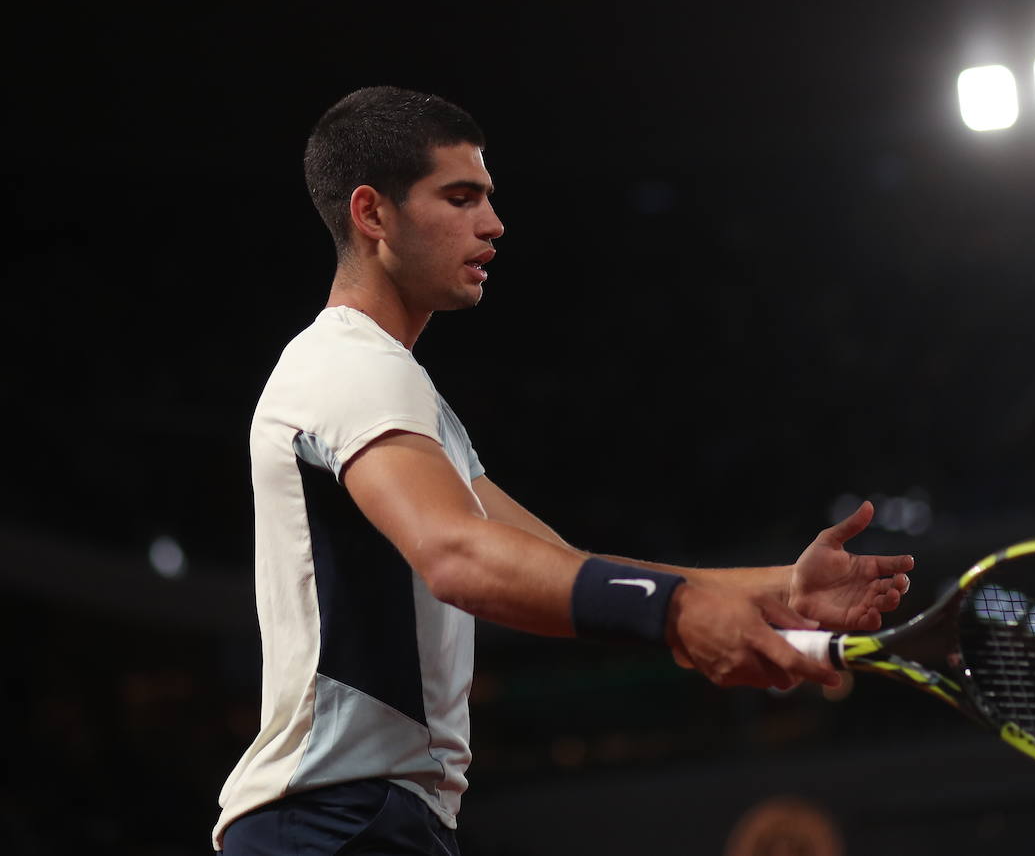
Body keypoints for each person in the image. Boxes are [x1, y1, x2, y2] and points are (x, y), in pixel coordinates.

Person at [212, 86, 913, 855]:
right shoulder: (348, 367)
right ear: (373, 214)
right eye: (460, 196)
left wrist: (777, 588)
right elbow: (457, 555)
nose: (493, 223)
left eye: (488, 197)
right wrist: (675, 610)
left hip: (367, 820)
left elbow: (554, 565)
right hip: (329, 821)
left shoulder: (402, 393)